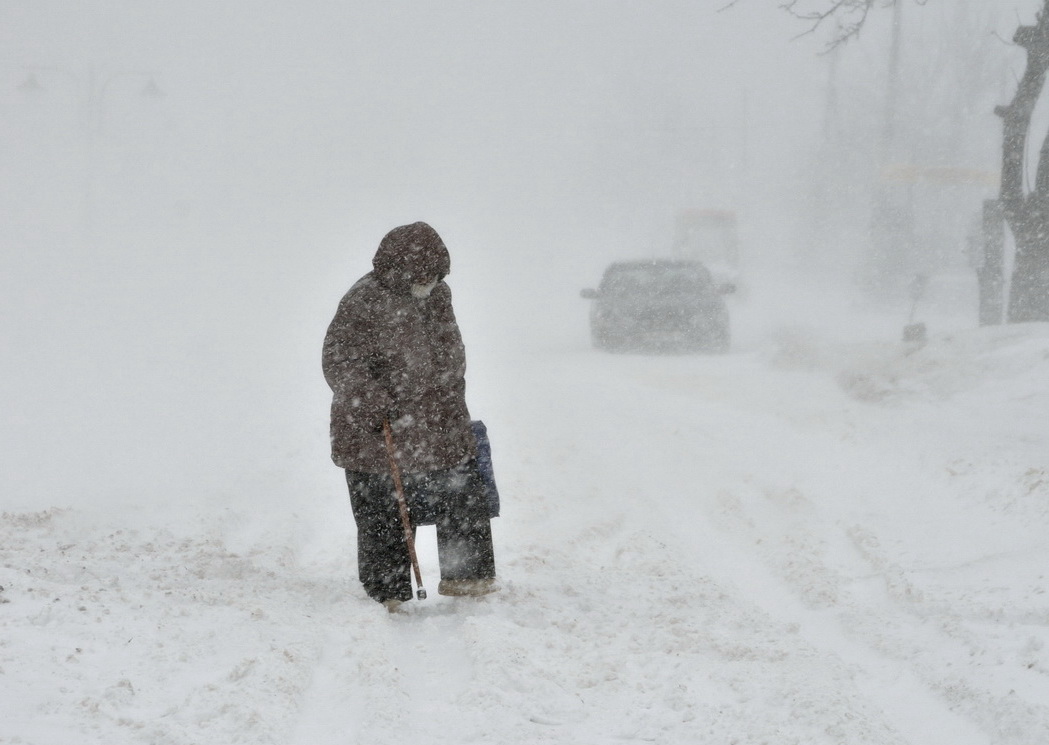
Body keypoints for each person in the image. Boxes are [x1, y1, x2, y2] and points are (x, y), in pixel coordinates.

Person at [322, 222, 497, 608]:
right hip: (375, 426)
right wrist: (369, 397)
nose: (427, 280)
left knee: (462, 493)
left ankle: (469, 580)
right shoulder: (363, 299)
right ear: (397, 269)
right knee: (383, 511)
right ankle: (388, 592)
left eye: (434, 274)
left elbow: (446, 351)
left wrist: (446, 394)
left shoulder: (438, 294)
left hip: (437, 420)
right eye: (420, 273)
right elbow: (340, 359)